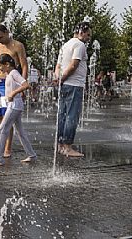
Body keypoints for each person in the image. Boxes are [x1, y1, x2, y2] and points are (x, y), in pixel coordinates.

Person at [0, 24, 28, 158]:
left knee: (8, 117)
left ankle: (7, 148)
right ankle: (1, 147)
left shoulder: (18, 46)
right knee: (0, 116)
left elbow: (24, 66)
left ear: (7, 32)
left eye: (0, 37)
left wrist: (21, 85)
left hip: (9, 84)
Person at [0, 54, 36, 166]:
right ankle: (32, 155)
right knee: (20, 132)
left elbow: (26, 85)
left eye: (0, 66)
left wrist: (13, 93)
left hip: (14, 105)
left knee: (2, 129)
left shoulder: (14, 73)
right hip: (14, 105)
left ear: (7, 64)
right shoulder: (9, 74)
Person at [54, 21, 92, 157]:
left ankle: (60, 146)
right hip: (74, 85)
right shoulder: (79, 45)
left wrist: (58, 79)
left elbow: (58, 66)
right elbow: (73, 65)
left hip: (64, 85)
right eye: (88, 35)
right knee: (72, 116)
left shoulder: (65, 45)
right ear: (81, 32)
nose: (88, 38)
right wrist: (63, 79)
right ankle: (68, 147)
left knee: (62, 115)